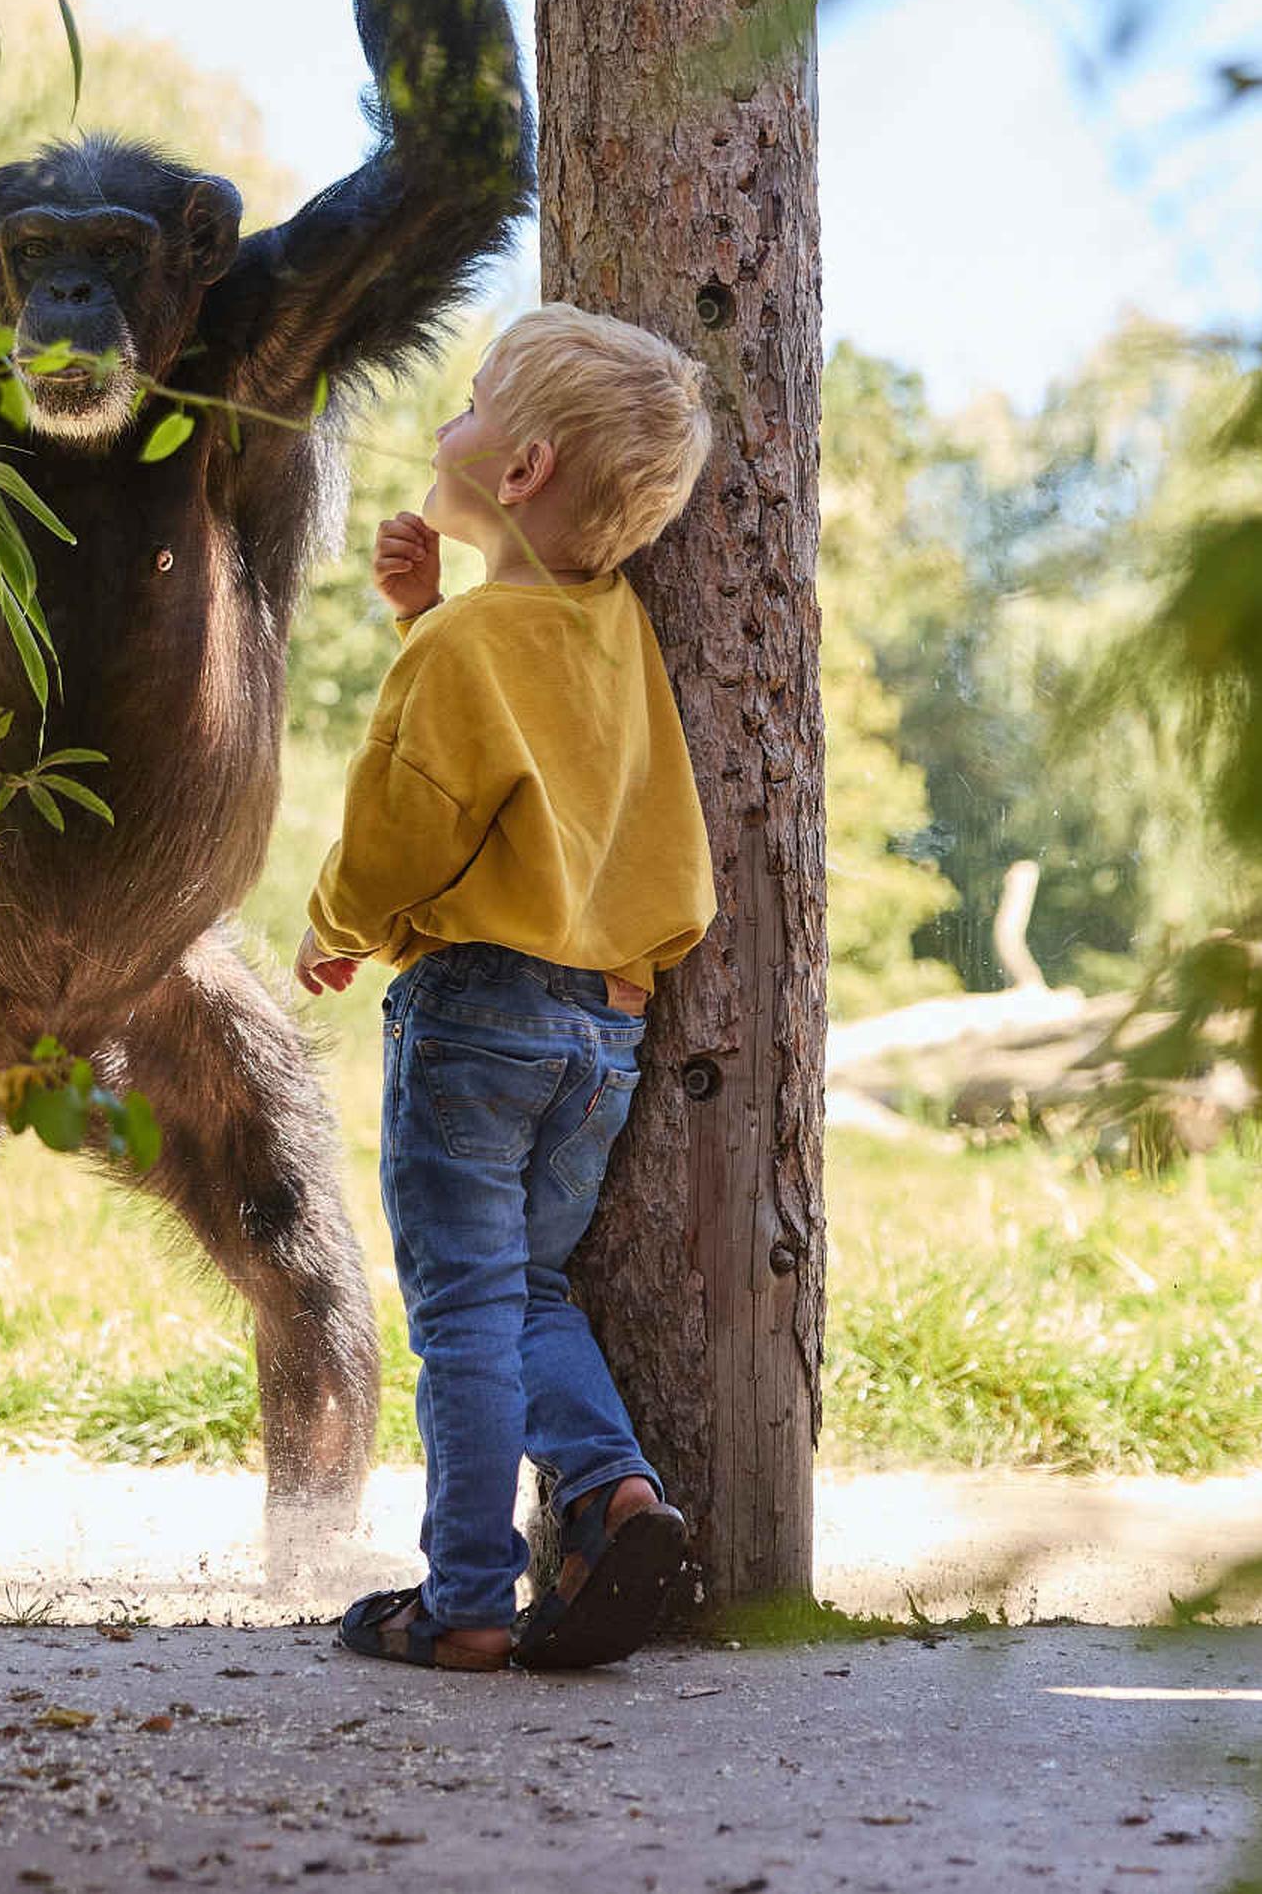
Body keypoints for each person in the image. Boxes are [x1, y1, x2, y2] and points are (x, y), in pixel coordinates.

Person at [293, 304, 719, 1672]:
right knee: (527, 1284)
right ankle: (617, 1488)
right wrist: (430, 610)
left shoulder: (463, 649)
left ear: (521, 471)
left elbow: (414, 820)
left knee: (462, 1309)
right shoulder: (617, 634)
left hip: (475, 1015)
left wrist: (337, 920)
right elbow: (547, 767)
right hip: (606, 1026)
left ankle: (467, 1594)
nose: (442, 425)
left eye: (470, 407)